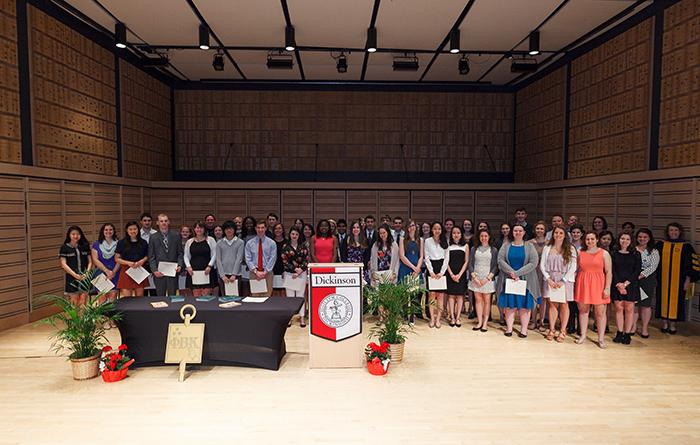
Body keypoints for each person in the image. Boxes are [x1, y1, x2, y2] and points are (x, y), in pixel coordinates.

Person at [496, 224, 539, 338]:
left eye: (520, 230)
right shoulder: (506, 246)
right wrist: (512, 272)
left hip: (526, 281)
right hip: (509, 279)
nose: (518, 232)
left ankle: (524, 330)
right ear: (512, 232)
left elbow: (533, 262)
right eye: (515, 230)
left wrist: (518, 273)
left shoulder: (530, 246)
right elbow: (500, 260)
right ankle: (509, 328)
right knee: (510, 305)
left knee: (524, 306)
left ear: (524, 233)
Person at [655, 222, 699, 334]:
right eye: (671, 230)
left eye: (676, 230)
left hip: (679, 282)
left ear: (680, 232)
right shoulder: (660, 245)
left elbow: (691, 266)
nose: (673, 232)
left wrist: (688, 280)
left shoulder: (686, 247)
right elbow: (654, 263)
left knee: (677, 302)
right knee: (662, 300)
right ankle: (664, 323)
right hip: (662, 280)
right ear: (667, 232)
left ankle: (673, 325)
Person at [575, 231, 613, 348]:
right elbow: (575, 270)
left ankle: (601, 339)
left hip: (599, 284)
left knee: (600, 313)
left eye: (592, 239)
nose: (590, 241)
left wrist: (607, 287)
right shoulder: (579, 252)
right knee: (583, 311)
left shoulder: (604, 253)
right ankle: (583, 335)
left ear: (597, 240)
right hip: (583, 284)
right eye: (587, 239)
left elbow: (608, 272)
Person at [540, 227, 577, 343]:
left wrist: (563, 280)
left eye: (561, 233)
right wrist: (548, 279)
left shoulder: (571, 248)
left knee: (564, 305)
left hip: (564, 280)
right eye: (556, 232)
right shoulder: (547, 248)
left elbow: (573, 267)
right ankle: (552, 329)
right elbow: (542, 265)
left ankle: (562, 330)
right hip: (551, 279)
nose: (558, 235)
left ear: (565, 235)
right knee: (552, 305)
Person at [611, 232, 641, 345]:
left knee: (629, 310)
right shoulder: (613, 253)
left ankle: (627, 334)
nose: (625, 241)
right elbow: (612, 270)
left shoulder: (636, 254)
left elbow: (637, 270)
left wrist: (626, 284)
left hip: (631, 285)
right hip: (617, 284)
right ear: (619, 240)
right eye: (622, 238)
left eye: (627, 239)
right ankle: (619, 332)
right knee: (618, 309)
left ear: (631, 241)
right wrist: (619, 284)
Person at [468, 229, 498, 332]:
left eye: (485, 236)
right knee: (478, 301)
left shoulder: (493, 250)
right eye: (481, 236)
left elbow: (495, 266)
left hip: (487, 279)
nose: (483, 238)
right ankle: (479, 321)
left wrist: (487, 278)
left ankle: (485, 323)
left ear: (489, 237)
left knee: (487, 301)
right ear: (479, 237)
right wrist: (474, 277)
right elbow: (470, 264)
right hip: (476, 278)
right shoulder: (473, 249)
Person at [149, 214, 184, 297]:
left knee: (173, 296)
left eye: (165, 221)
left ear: (169, 222)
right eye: (161, 221)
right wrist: (154, 270)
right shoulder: (153, 237)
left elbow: (180, 253)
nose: (164, 223)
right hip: (159, 272)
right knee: (161, 297)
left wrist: (180, 265)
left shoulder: (176, 236)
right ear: (157, 223)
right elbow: (151, 256)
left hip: (173, 271)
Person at [281, 227, 310, 327]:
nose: (294, 236)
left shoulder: (303, 246)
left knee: (300, 296)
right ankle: (290, 318)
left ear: (299, 235)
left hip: (301, 274)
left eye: (296, 234)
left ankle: (302, 318)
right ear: (290, 235)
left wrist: (300, 270)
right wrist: (294, 270)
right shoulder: (285, 246)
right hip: (289, 275)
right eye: (293, 234)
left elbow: (306, 260)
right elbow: (284, 261)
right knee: (290, 297)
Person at [633, 228, 659, 338]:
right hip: (633, 279)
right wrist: (634, 276)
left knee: (645, 305)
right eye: (640, 237)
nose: (642, 239)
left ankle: (644, 328)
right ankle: (632, 326)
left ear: (649, 238)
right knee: (634, 304)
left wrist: (641, 275)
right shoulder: (632, 249)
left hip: (647, 280)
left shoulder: (653, 251)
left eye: (645, 237)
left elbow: (653, 266)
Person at [59, 225, 92, 306]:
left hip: (85, 277)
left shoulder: (85, 246)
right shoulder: (64, 247)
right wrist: (75, 275)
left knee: (83, 302)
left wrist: (87, 273)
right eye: (73, 234)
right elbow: (63, 264)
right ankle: (76, 319)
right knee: (74, 303)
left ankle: (84, 318)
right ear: (69, 235)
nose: (76, 236)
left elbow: (90, 262)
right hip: (71, 278)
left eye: (78, 234)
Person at [115, 221, 149, 298]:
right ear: (127, 230)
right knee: (127, 299)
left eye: (135, 229)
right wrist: (128, 263)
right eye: (130, 229)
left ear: (138, 230)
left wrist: (142, 261)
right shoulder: (121, 242)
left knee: (140, 297)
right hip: (126, 270)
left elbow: (147, 256)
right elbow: (117, 259)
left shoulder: (143, 242)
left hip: (139, 270)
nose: (133, 231)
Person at [425, 222, 448, 329]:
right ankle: (432, 319)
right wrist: (431, 271)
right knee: (431, 296)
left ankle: (438, 319)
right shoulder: (427, 241)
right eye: (435, 228)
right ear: (432, 230)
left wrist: (442, 272)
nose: (437, 231)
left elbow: (447, 258)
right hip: (432, 269)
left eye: (439, 228)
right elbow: (426, 257)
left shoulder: (445, 241)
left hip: (441, 268)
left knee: (440, 296)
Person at [184, 222, 217, 296]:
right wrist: (188, 267)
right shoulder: (189, 241)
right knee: (196, 294)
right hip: (193, 271)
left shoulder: (210, 240)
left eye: (201, 228)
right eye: (197, 228)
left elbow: (214, 254)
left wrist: (210, 266)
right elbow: (186, 256)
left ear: (204, 229)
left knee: (206, 295)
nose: (199, 229)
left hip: (207, 270)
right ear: (194, 229)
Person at [245, 221, 277, 297]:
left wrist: (265, 272)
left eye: (262, 227)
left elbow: (273, 258)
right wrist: (256, 272)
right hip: (254, 273)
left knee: (267, 297)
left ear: (265, 228)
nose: (260, 230)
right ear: (255, 228)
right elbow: (248, 259)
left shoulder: (271, 243)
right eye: (258, 228)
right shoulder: (249, 243)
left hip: (267, 273)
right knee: (255, 297)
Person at [90, 223, 120, 304]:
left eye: (110, 229)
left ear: (114, 231)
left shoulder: (119, 243)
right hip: (101, 273)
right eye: (106, 230)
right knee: (102, 298)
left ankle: (111, 317)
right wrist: (107, 271)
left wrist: (113, 272)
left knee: (113, 297)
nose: (108, 231)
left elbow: (120, 260)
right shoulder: (96, 244)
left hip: (115, 273)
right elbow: (95, 260)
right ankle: (102, 317)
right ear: (102, 231)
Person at [446, 226, 469, 327]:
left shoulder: (465, 246)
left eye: (458, 233)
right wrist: (451, 274)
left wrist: (459, 274)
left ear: (461, 234)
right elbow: (445, 261)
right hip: (450, 273)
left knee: (460, 296)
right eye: (454, 233)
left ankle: (458, 317)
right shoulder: (448, 245)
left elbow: (466, 261)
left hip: (461, 274)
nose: (456, 235)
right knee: (451, 296)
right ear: (451, 235)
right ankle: (452, 317)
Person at [216, 220, 244, 296]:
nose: (229, 230)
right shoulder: (219, 243)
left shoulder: (240, 242)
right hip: (223, 275)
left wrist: (234, 274)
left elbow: (239, 259)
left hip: (236, 275)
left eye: (231, 228)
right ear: (224, 230)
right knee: (224, 297)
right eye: (226, 229)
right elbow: (218, 260)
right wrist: (222, 276)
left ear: (234, 230)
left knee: (236, 298)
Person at [529, 221, 548, 331]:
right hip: (533, 272)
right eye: (537, 228)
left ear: (545, 230)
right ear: (534, 230)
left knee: (543, 298)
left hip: (544, 273)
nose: (539, 231)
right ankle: (533, 320)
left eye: (541, 229)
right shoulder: (529, 243)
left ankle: (541, 322)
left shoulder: (549, 243)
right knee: (533, 297)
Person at [139, 212, 157, 294]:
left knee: (155, 290)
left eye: (149, 220)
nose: (147, 222)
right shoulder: (137, 234)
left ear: (151, 222)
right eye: (145, 220)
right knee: (144, 290)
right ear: (141, 222)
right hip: (141, 264)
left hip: (154, 264)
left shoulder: (156, 234)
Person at [271, 222, 287, 295]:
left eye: (280, 228)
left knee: (284, 292)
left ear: (283, 230)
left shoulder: (287, 242)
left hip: (284, 271)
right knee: (273, 292)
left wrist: (285, 270)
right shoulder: (270, 242)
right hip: (272, 270)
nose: (278, 230)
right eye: (276, 229)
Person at [178, 225, 192, 296]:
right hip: (179, 271)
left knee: (189, 290)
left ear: (190, 233)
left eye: (187, 232)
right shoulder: (177, 243)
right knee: (181, 291)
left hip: (190, 271)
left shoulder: (193, 242)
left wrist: (187, 270)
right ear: (180, 233)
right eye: (183, 232)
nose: (185, 233)